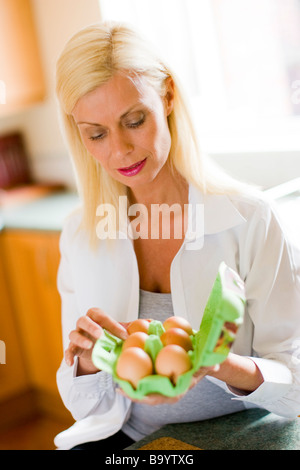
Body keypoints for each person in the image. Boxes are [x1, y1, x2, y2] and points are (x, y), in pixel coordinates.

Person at [54, 21, 300, 450]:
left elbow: (293, 385)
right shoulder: (80, 234)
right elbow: (82, 405)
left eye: (134, 121)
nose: (119, 151)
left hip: (241, 433)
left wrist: (218, 363)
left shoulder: (251, 220)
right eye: (96, 133)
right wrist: (91, 364)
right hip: (130, 440)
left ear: (167, 96)